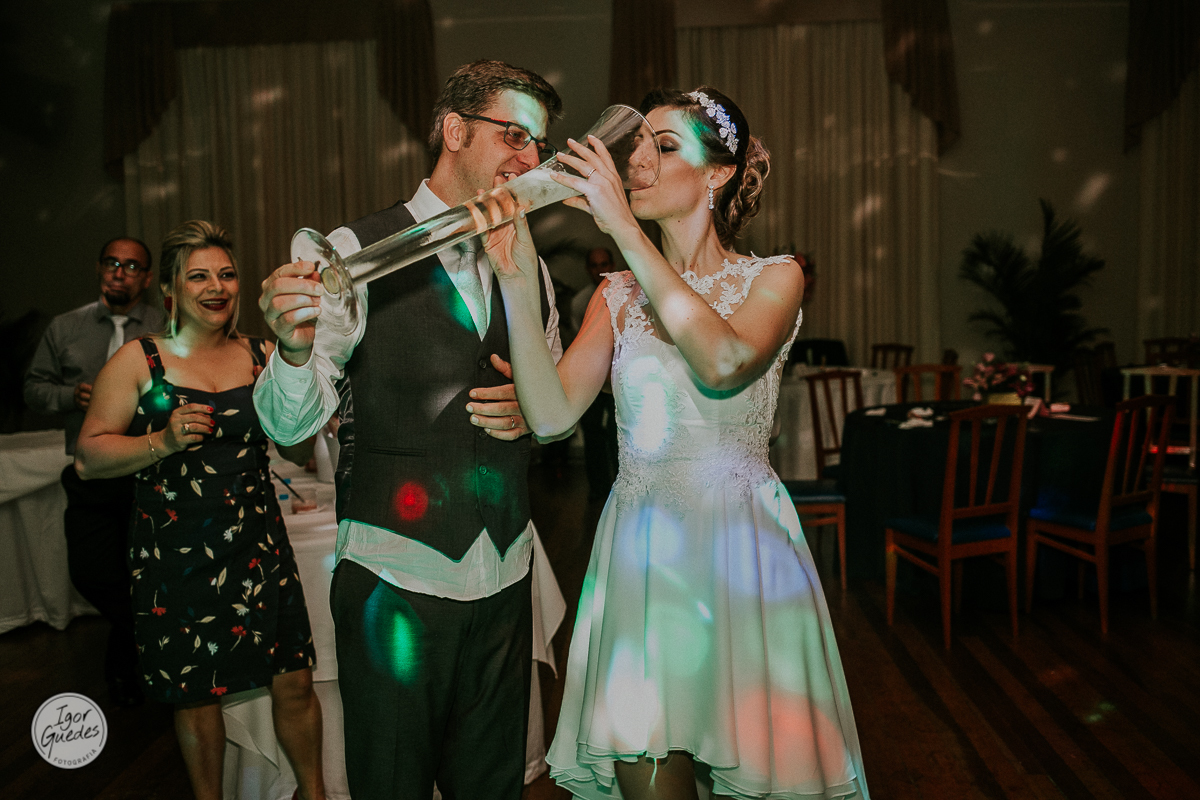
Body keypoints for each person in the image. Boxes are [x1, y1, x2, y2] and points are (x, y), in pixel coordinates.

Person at [483, 87, 869, 799]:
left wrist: (625, 229)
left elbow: (721, 361)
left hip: (742, 558)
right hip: (643, 559)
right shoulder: (614, 296)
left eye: (666, 146)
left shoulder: (774, 278)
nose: (641, 162)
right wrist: (511, 274)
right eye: (639, 148)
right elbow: (549, 416)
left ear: (718, 174)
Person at [253, 60, 565, 799]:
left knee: (490, 785)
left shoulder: (534, 268)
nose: (531, 160)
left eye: (540, 145)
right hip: (395, 575)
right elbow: (289, 423)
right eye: (515, 135)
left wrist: (535, 412)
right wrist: (294, 350)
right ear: (456, 131)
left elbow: (554, 407)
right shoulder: (352, 248)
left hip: (505, 569)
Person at [74, 220, 325, 800]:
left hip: (258, 543)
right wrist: (159, 441)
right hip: (174, 552)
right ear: (171, 291)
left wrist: (298, 363)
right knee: (195, 694)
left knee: (293, 679)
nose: (217, 286)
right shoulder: (141, 360)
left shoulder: (263, 355)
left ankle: (314, 795)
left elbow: (296, 449)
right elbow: (89, 455)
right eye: (199, 276)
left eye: (227, 274)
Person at [24, 236, 163, 707]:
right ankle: (150, 647)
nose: (119, 271)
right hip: (89, 474)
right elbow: (33, 390)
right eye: (111, 262)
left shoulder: (167, 326)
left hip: (149, 469)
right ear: (100, 268)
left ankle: (130, 676)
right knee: (92, 573)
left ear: (146, 277)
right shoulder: (65, 329)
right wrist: (69, 397)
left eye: (131, 265)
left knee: (148, 574)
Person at [572, 247, 619, 500]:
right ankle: (598, 491)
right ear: (587, 268)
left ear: (613, 263)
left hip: (620, 378)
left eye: (605, 262)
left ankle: (620, 488)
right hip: (591, 379)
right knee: (592, 433)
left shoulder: (630, 294)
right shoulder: (581, 302)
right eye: (595, 264)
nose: (601, 269)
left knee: (618, 433)